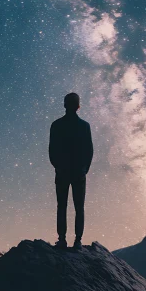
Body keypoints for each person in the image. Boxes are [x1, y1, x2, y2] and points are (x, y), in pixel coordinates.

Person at [49, 92, 93, 250]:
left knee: (62, 206)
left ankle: (62, 240)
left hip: (63, 172)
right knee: (79, 207)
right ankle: (78, 241)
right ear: (78, 106)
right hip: (78, 172)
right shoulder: (84, 126)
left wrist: (58, 167)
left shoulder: (56, 125)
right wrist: (84, 169)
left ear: (64, 105)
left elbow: (52, 150)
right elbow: (89, 151)